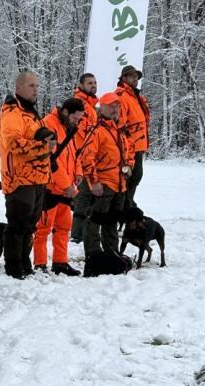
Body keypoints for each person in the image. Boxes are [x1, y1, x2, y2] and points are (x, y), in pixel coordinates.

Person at [0, 70, 54, 279]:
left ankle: (24, 263)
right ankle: (13, 266)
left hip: (37, 178)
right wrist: (44, 147)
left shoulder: (32, 114)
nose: (36, 90)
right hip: (19, 179)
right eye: (32, 86)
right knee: (18, 223)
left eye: (37, 86)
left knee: (30, 224)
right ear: (19, 88)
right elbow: (13, 144)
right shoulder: (13, 113)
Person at [33, 98, 85, 276]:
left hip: (66, 186)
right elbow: (51, 161)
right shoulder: (49, 125)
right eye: (75, 118)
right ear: (65, 112)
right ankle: (40, 264)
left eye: (79, 119)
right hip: (50, 187)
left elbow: (75, 154)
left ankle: (60, 262)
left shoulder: (68, 127)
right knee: (43, 229)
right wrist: (66, 185)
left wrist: (78, 173)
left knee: (63, 228)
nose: (77, 122)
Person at [81, 91, 135, 256]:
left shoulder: (120, 130)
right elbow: (87, 158)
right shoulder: (96, 130)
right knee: (95, 220)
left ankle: (112, 253)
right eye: (111, 106)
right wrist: (94, 182)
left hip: (120, 184)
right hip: (104, 184)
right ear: (102, 107)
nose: (115, 109)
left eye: (117, 106)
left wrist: (130, 166)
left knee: (111, 221)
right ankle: (94, 253)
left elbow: (129, 151)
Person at [115, 65, 150, 209]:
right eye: (132, 76)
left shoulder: (135, 96)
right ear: (124, 78)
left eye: (136, 77)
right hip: (130, 147)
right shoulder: (122, 96)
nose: (135, 79)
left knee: (135, 178)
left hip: (139, 146)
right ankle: (123, 208)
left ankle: (127, 207)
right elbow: (120, 124)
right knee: (128, 180)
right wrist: (126, 144)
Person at [70, 73, 99, 244]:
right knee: (83, 196)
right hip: (81, 156)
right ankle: (77, 234)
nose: (93, 85)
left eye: (95, 82)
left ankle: (83, 232)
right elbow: (78, 133)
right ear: (81, 85)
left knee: (87, 197)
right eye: (90, 83)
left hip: (90, 156)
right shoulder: (80, 105)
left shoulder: (91, 106)